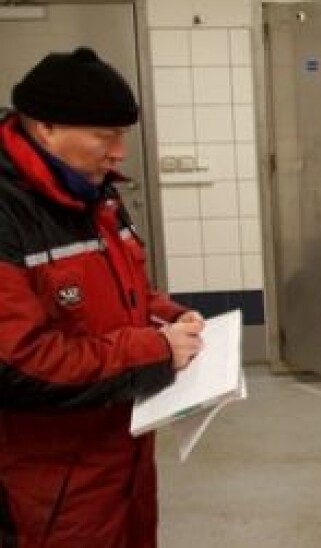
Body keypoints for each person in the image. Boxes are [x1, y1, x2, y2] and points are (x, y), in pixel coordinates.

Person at [0, 47, 204, 546]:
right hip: (48, 483)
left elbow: (129, 292)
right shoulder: (10, 216)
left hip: (121, 456)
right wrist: (156, 350)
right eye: (106, 136)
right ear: (45, 127)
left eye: (123, 136)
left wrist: (171, 315)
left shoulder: (96, 194)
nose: (119, 152)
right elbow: (17, 366)